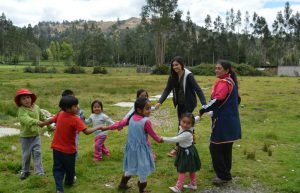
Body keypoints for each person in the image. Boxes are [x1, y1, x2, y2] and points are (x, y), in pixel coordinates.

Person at [38, 95, 103, 193]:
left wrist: (43, 124)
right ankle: (69, 182)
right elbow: (87, 131)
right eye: (75, 106)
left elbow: (52, 120)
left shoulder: (60, 114)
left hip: (56, 149)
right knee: (70, 169)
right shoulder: (75, 119)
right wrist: (98, 127)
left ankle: (59, 189)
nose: (78, 107)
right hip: (69, 151)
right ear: (68, 108)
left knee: (58, 169)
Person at [101, 97, 163, 193]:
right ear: (139, 109)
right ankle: (142, 190)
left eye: (150, 108)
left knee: (130, 166)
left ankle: (122, 184)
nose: (149, 111)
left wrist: (107, 127)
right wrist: (160, 140)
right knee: (143, 170)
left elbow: (119, 124)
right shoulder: (146, 121)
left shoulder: (131, 118)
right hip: (141, 150)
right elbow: (153, 135)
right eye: (147, 108)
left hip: (131, 149)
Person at [199, 59, 241, 185]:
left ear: (227, 70)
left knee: (215, 147)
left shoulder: (223, 82)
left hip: (223, 122)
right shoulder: (231, 81)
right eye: (216, 68)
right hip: (232, 120)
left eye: (219, 68)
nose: (216, 70)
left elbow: (217, 100)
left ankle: (223, 176)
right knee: (226, 147)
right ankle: (225, 172)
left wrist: (203, 109)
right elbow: (237, 100)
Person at [155, 56, 207, 156]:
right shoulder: (172, 76)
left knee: (182, 124)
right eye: (173, 65)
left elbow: (198, 89)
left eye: (177, 65)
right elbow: (167, 89)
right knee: (186, 123)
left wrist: (204, 104)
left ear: (182, 65)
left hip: (189, 103)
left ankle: (178, 147)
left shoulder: (188, 75)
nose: (175, 67)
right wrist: (160, 102)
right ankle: (190, 139)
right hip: (180, 103)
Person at [162, 113, 201, 193]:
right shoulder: (186, 127)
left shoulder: (186, 134)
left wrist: (162, 138)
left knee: (182, 169)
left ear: (192, 124)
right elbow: (196, 119)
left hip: (186, 153)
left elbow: (175, 139)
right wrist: (200, 114)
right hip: (188, 151)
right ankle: (193, 184)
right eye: (183, 122)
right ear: (180, 120)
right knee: (191, 168)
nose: (185, 125)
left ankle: (178, 187)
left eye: (188, 123)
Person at [14, 88, 46, 180]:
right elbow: (26, 120)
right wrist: (37, 122)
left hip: (36, 136)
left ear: (31, 98)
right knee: (26, 155)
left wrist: (49, 125)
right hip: (25, 137)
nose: (26, 100)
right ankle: (25, 171)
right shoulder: (21, 110)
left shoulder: (36, 107)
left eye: (28, 97)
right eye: (23, 99)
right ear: (20, 101)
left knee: (37, 153)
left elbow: (42, 117)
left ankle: (39, 172)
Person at [124, 88, 157, 161]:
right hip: (136, 127)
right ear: (137, 97)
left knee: (146, 141)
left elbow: (149, 108)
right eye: (142, 96)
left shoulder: (146, 105)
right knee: (139, 142)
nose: (144, 97)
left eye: (145, 95)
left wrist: (155, 107)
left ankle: (151, 155)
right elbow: (128, 115)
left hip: (143, 127)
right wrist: (123, 122)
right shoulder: (136, 106)